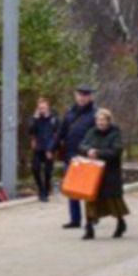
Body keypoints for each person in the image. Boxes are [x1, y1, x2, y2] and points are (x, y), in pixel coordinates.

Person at [49, 85, 96, 228]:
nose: (82, 98)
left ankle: (92, 217)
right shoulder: (69, 113)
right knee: (72, 188)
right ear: (76, 96)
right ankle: (75, 219)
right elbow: (61, 133)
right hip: (71, 155)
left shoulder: (95, 114)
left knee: (88, 189)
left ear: (90, 97)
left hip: (88, 156)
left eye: (85, 95)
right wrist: (52, 148)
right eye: (80, 95)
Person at [78, 108, 128, 240]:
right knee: (90, 199)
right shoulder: (91, 132)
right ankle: (89, 227)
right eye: (98, 120)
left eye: (103, 120)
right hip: (93, 172)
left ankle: (120, 222)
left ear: (108, 121)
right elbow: (82, 145)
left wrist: (98, 153)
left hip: (109, 173)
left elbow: (116, 151)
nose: (100, 123)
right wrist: (88, 150)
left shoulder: (115, 133)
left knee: (113, 201)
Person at [28, 97, 60, 202]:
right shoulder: (34, 118)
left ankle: (46, 190)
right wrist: (35, 119)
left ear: (48, 107)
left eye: (44, 108)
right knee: (35, 168)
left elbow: (57, 135)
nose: (42, 110)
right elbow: (30, 131)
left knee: (48, 171)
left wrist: (51, 149)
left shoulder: (54, 119)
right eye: (40, 108)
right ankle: (41, 189)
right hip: (38, 147)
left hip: (49, 147)